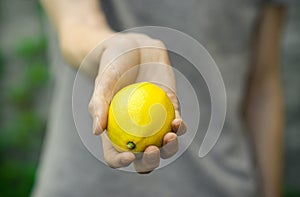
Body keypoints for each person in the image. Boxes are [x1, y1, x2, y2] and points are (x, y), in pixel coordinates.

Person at [31, 0, 286, 196]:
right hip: (87, 186)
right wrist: (110, 49)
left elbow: (262, 85)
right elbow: (78, 27)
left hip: (219, 185)